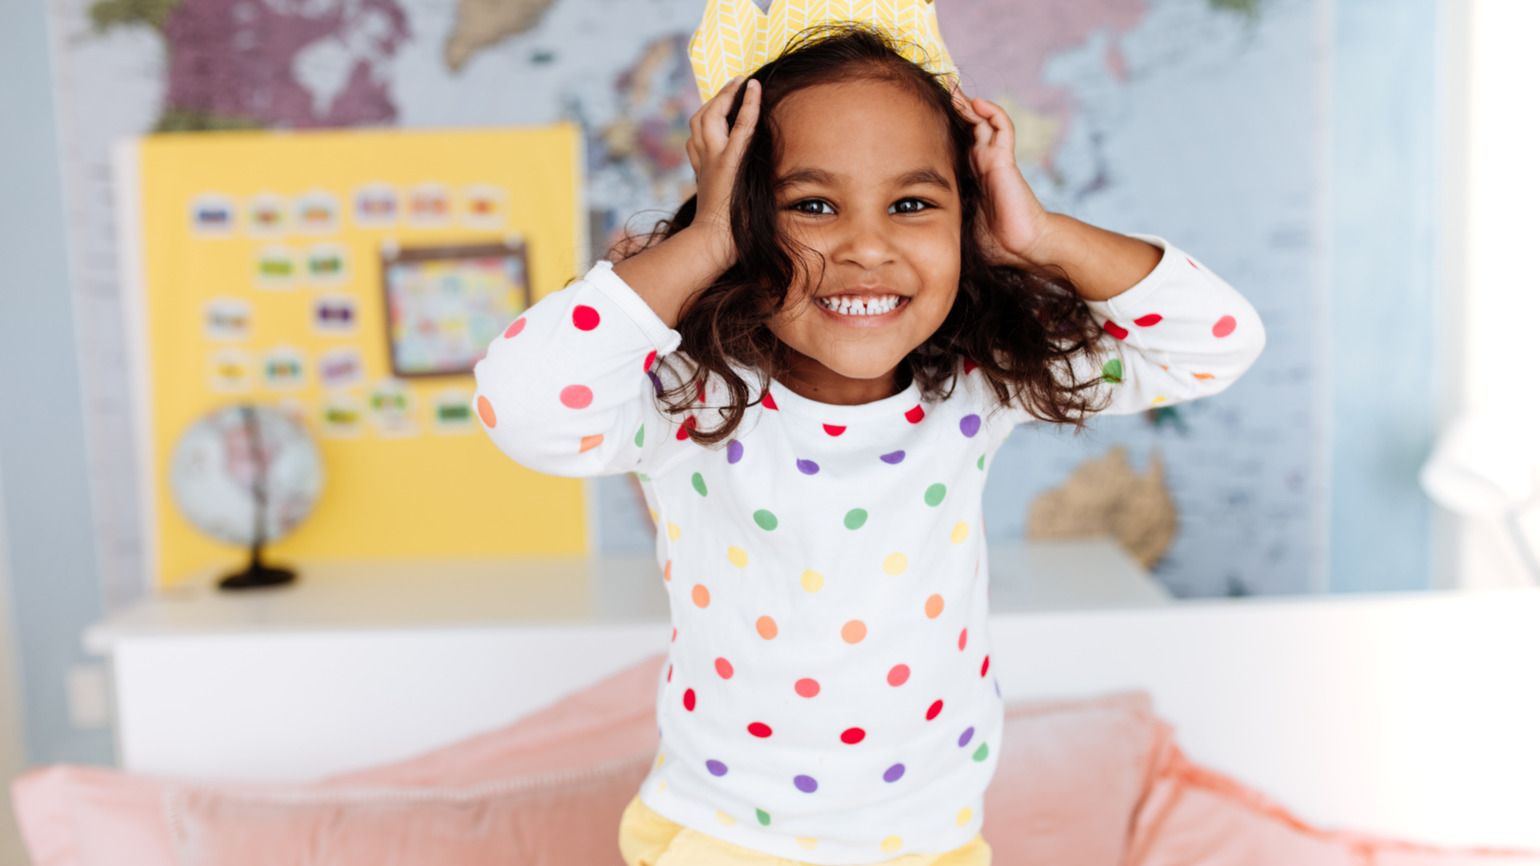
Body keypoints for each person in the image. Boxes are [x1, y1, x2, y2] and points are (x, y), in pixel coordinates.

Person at [472, 22, 1266, 866]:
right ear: (744, 220)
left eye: (914, 204)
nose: (866, 246)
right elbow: (521, 403)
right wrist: (701, 241)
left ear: (971, 219)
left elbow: (1214, 342)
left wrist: (1039, 235)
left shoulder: (976, 381)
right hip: (726, 839)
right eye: (811, 205)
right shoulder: (688, 398)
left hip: (931, 842)